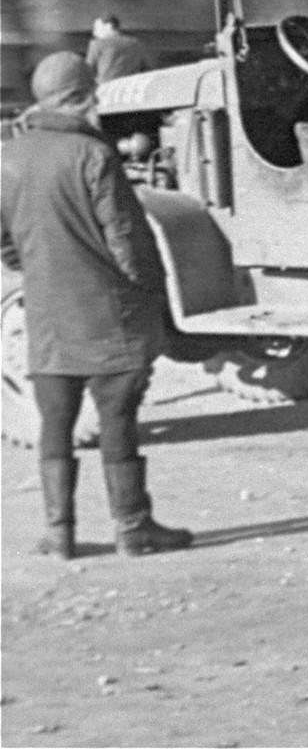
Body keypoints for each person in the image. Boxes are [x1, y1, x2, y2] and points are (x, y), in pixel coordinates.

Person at [1, 53, 193, 557]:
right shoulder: (95, 156)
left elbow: (3, 243)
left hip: (46, 319)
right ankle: (132, 527)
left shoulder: (8, 156)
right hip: (107, 318)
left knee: (56, 425)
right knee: (117, 423)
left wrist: (37, 270)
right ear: (81, 98)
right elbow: (128, 239)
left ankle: (59, 533)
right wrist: (149, 293)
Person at [85, 15, 152, 83]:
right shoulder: (136, 43)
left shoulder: (96, 44)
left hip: (106, 88)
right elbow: (147, 68)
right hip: (130, 87)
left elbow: (87, 71)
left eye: (97, 28)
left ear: (108, 26)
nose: (94, 33)